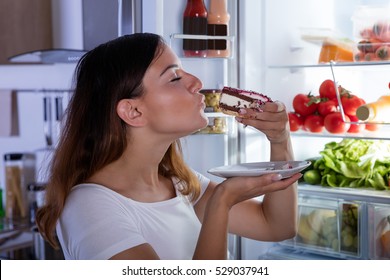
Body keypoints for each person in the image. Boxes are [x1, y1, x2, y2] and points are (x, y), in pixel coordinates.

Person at [36, 32, 301, 260]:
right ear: (133, 111)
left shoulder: (180, 184)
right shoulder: (89, 208)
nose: (197, 82)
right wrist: (222, 202)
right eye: (175, 78)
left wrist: (279, 139)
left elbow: (276, 226)